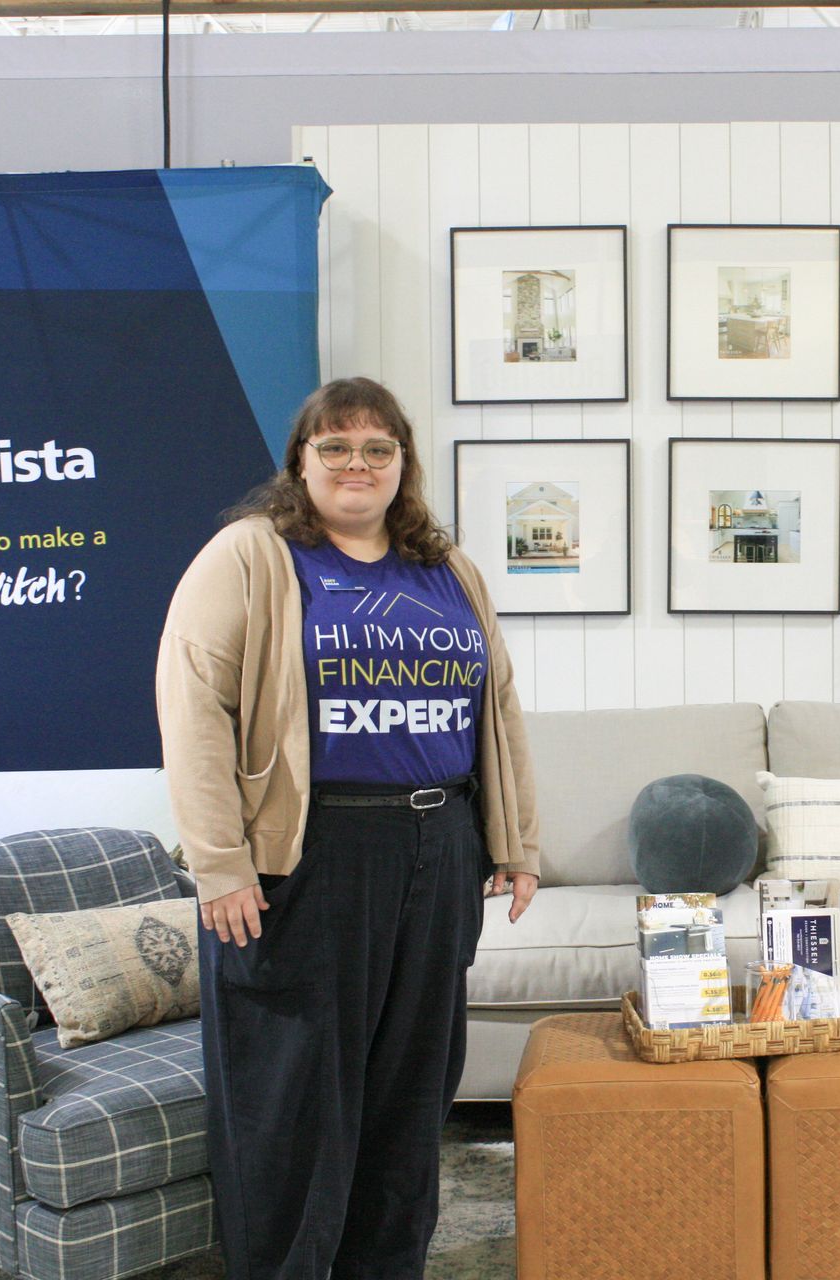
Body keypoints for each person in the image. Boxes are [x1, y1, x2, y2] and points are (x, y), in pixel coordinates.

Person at [156, 376, 540, 1279]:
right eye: (335, 447)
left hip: (437, 847)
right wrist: (219, 864)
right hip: (309, 856)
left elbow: (501, 708)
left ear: (403, 465)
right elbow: (193, 706)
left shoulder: (449, 570)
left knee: (411, 1093)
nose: (356, 464)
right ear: (301, 462)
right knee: (292, 1097)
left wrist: (515, 842)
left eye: (377, 448)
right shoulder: (252, 556)